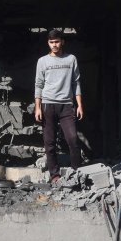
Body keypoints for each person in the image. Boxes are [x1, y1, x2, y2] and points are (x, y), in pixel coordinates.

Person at [34, 29, 83, 181]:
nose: (54, 45)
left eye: (56, 42)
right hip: (48, 105)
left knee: (73, 139)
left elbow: (76, 82)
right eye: (51, 42)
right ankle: (54, 174)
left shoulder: (71, 59)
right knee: (49, 143)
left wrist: (79, 105)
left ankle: (76, 173)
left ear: (62, 42)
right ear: (48, 43)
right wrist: (37, 107)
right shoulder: (42, 61)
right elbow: (39, 84)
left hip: (67, 105)